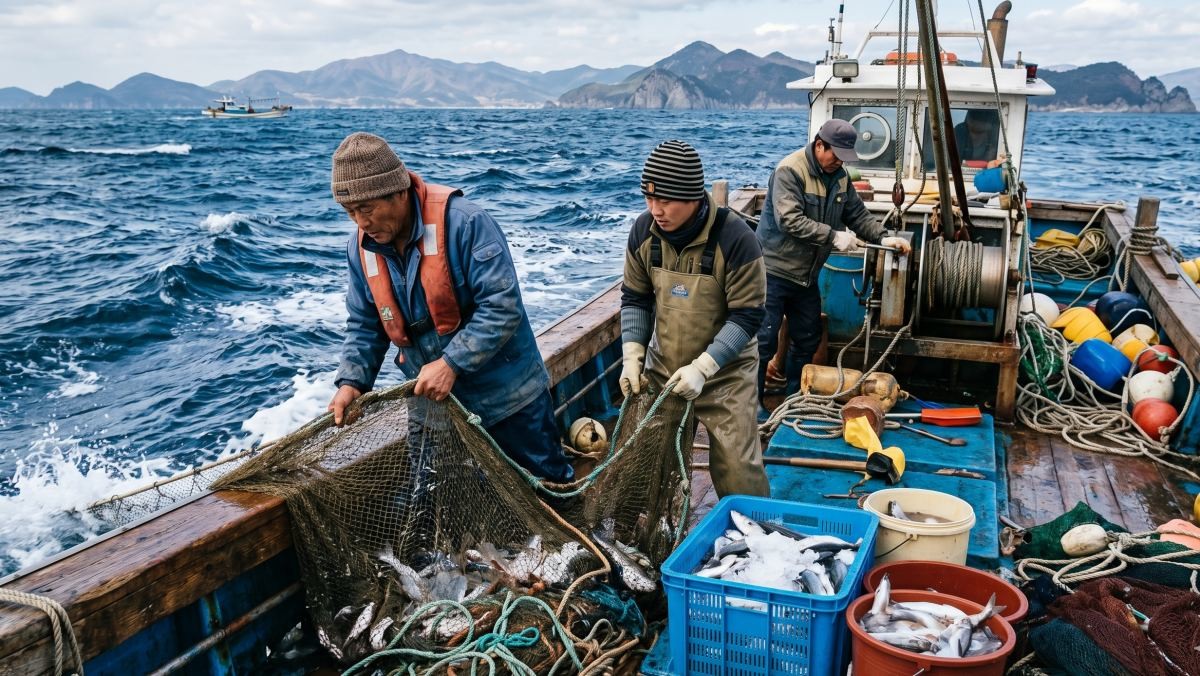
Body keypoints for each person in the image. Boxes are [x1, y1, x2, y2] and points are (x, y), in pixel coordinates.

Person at [326, 131, 574, 483]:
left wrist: (451, 362)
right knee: (438, 502)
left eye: (367, 209)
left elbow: (502, 306)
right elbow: (366, 324)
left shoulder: (467, 224)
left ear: (399, 191)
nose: (360, 223)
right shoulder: (360, 248)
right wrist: (352, 382)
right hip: (433, 409)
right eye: (350, 212)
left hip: (508, 398)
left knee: (545, 488)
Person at [619, 140, 770, 498]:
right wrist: (632, 356)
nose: (655, 209)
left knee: (738, 469)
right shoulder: (644, 232)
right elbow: (635, 297)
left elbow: (747, 316)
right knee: (643, 466)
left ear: (692, 197)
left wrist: (703, 368)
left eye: (665, 200)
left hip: (726, 373)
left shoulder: (736, 239)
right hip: (664, 368)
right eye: (649, 199)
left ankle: (755, 540)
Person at [755, 119, 911, 412]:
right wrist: (833, 236)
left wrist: (884, 238)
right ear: (819, 145)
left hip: (806, 275)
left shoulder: (839, 177)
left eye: (844, 157)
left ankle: (793, 399)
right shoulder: (790, 170)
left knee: (808, 336)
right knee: (763, 338)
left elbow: (857, 215)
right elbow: (788, 220)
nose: (839, 161)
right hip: (772, 270)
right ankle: (754, 405)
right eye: (835, 154)